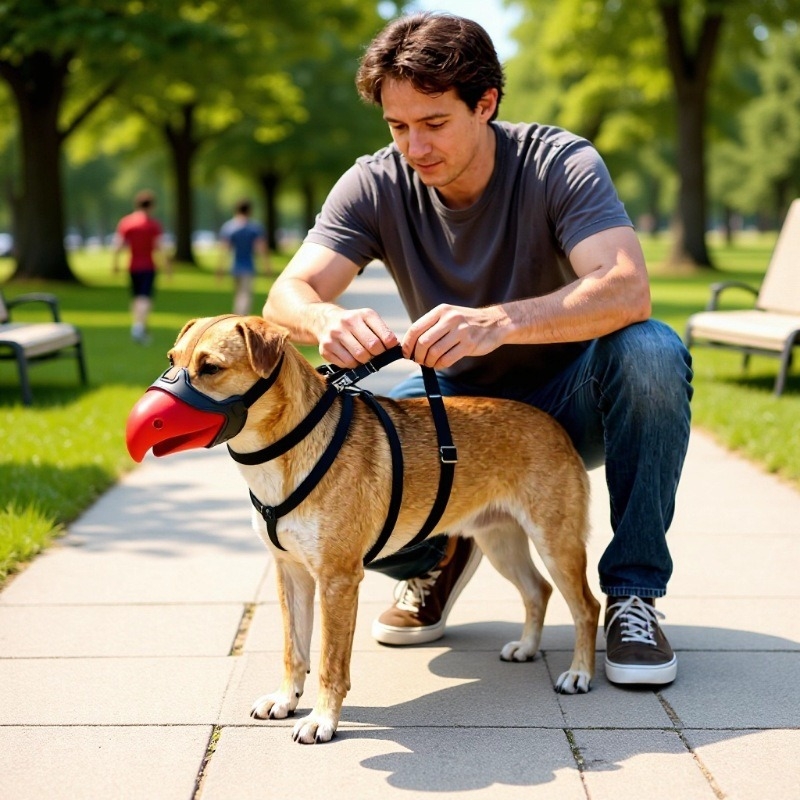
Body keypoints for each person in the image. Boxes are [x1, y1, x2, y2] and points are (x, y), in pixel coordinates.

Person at [263, 12, 693, 687]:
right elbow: (286, 293)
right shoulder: (374, 182)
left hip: (572, 399)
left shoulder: (558, 163)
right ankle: (441, 553)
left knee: (652, 352)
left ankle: (633, 595)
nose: (414, 146)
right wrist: (322, 319)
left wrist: (501, 320)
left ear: (485, 104)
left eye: (433, 123)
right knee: (345, 445)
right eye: (397, 126)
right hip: (451, 410)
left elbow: (626, 286)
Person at [112, 190, 169, 344]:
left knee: (136, 297)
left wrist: (115, 264)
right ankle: (139, 327)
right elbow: (160, 247)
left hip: (133, 266)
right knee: (145, 298)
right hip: (148, 266)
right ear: (151, 206)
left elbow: (118, 245)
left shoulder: (126, 223)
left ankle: (138, 325)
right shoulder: (152, 225)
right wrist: (167, 266)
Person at [217, 199, 270, 315]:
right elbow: (261, 249)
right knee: (245, 295)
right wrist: (267, 266)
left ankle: (237, 315)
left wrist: (220, 268)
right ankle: (240, 317)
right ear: (249, 211)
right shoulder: (254, 228)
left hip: (235, 266)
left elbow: (225, 249)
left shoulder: (229, 227)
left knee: (238, 294)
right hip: (248, 266)